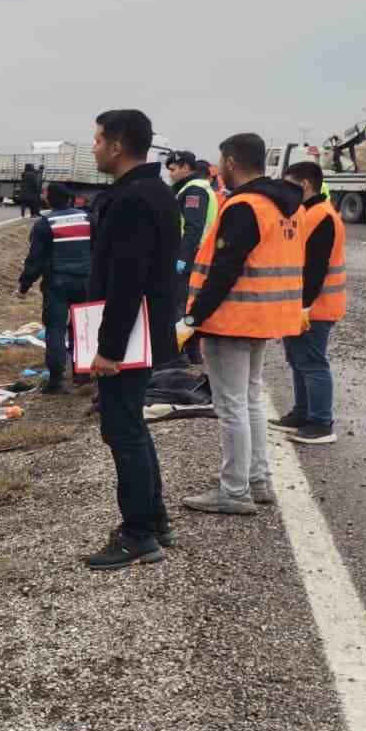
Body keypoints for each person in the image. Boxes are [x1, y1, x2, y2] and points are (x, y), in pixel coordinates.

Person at [181, 133, 304, 515]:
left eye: (221, 162)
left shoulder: (243, 207)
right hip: (264, 318)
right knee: (249, 400)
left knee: (231, 405)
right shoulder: (286, 205)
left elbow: (224, 271)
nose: (218, 169)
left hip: (232, 318)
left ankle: (233, 491)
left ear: (232, 162)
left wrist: (192, 319)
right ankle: (257, 478)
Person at [84, 110, 178, 570]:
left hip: (130, 335)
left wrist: (108, 349)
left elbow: (126, 281)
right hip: (144, 331)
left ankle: (138, 533)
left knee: (122, 430)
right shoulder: (154, 190)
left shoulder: (132, 200)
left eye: (99, 140)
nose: (95, 147)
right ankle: (154, 520)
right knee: (132, 426)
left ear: (118, 145)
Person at [273, 161, 344, 446]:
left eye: (289, 184)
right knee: (298, 360)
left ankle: (321, 422)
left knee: (312, 363)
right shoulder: (308, 212)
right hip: (302, 303)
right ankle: (302, 413)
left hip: (316, 305)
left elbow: (315, 267)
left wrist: (303, 305)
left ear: (304, 185)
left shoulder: (321, 216)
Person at [15, 182, 89, 394]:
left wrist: (24, 286)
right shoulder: (88, 219)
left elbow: (35, 260)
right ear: (70, 198)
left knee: (56, 329)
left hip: (57, 284)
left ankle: (57, 380)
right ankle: (82, 374)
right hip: (85, 282)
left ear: (49, 199)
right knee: (81, 328)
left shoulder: (45, 224)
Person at [164, 150, 217, 365]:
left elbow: (193, 228)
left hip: (190, 255)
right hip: (201, 254)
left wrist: (182, 259)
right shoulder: (203, 187)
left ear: (186, 167)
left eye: (173, 170)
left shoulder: (194, 190)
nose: (171, 175)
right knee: (190, 304)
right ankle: (193, 352)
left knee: (179, 304)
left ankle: (177, 354)